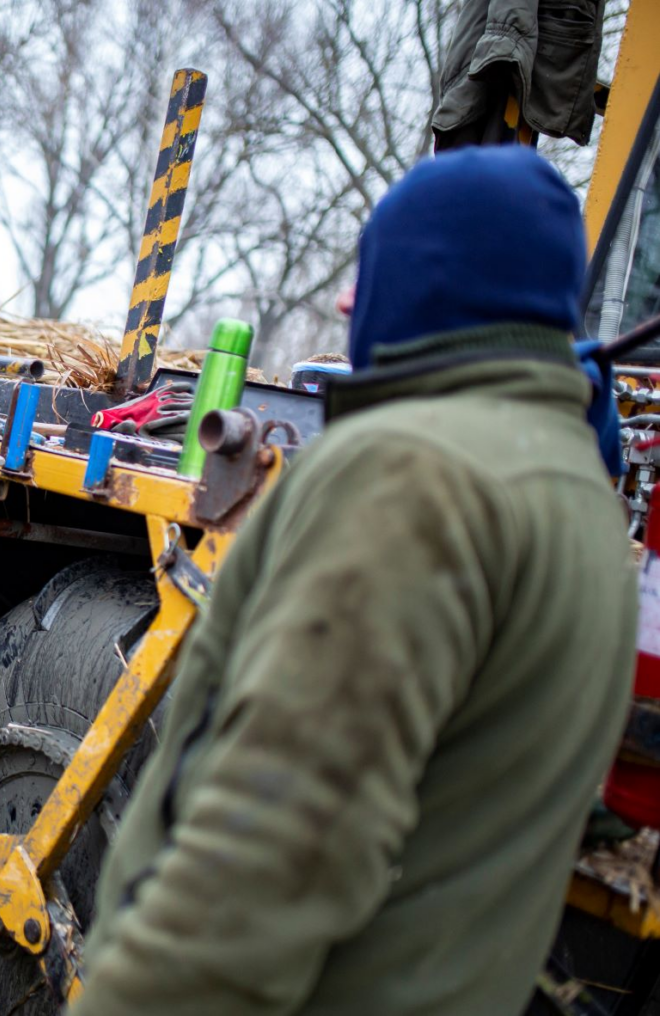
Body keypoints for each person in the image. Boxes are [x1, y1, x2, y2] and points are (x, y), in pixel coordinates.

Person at [72, 146, 637, 1015]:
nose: (349, 320)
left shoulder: (413, 474)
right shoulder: (580, 499)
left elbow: (270, 850)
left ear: (414, 291)